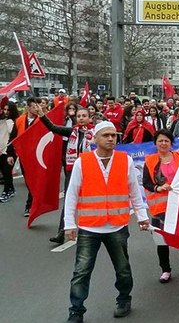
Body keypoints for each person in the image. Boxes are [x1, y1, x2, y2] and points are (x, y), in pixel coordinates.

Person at [63, 121, 150, 323]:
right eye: (106, 135)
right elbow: (72, 194)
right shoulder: (82, 162)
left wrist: (142, 217)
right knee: (81, 272)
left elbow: (134, 191)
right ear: (96, 138)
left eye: (113, 135)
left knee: (123, 268)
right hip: (89, 227)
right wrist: (69, 223)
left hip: (117, 226)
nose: (111, 139)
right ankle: (76, 311)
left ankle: (124, 299)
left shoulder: (125, 160)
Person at [36, 106, 94, 245]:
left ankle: (92, 229)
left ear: (89, 118)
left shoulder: (95, 132)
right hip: (72, 170)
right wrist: (43, 116)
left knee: (90, 200)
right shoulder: (71, 131)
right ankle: (62, 231)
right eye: (79, 116)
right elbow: (53, 128)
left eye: (83, 116)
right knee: (69, 198)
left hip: (90, 171)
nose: (81, 118)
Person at [142, 130, 179, 283]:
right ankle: (165, 270)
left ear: (171, 143)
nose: (163, 143)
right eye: (160, 141)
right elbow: (146, 182)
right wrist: (158, 188)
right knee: (161, 240)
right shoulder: (150, 161)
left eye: (166, 141)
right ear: (155, 143)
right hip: (160, 207)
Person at [0, 102, 18, 203]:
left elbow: (13, 137)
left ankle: (6, 191)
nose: (6, 112)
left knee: (7, 171)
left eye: (8, 110)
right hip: (1, 150)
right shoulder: (2, 120)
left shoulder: (14, 122)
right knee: (4, 172)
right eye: (4, 109)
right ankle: (11, 189)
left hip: (9, 151)